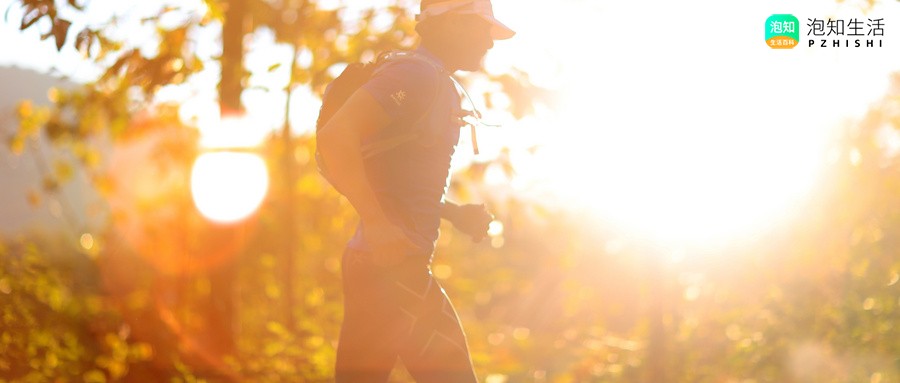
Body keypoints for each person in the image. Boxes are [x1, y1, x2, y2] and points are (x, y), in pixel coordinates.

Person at [316, 0, 515, 381]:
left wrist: (451, 212)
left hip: (390, 268)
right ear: (452, 24)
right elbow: (335, 137)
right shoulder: (414, 77)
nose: (489, 42)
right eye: (481, 28)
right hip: (387, 272)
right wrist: (377, 224)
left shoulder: (431, 79)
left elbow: (398, 181)